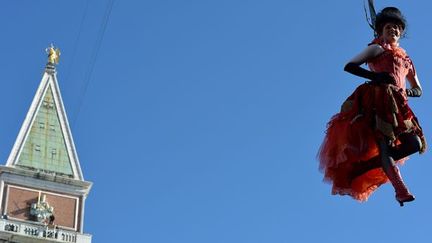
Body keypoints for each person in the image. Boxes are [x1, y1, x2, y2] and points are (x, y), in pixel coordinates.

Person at [318, 7, 426, 206]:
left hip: (398, 103)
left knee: (415, 144)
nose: (393, 30)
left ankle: (365, 166)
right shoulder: (378, 49)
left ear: (401, 32)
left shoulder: (407, 60)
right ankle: (401, 190)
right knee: (384, 145)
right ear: (381, 31)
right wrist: (376, 76)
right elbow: (350, 65)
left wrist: (405, 92)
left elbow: (418, 89)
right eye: (388, 27)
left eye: (396, 27)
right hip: (377, 100)